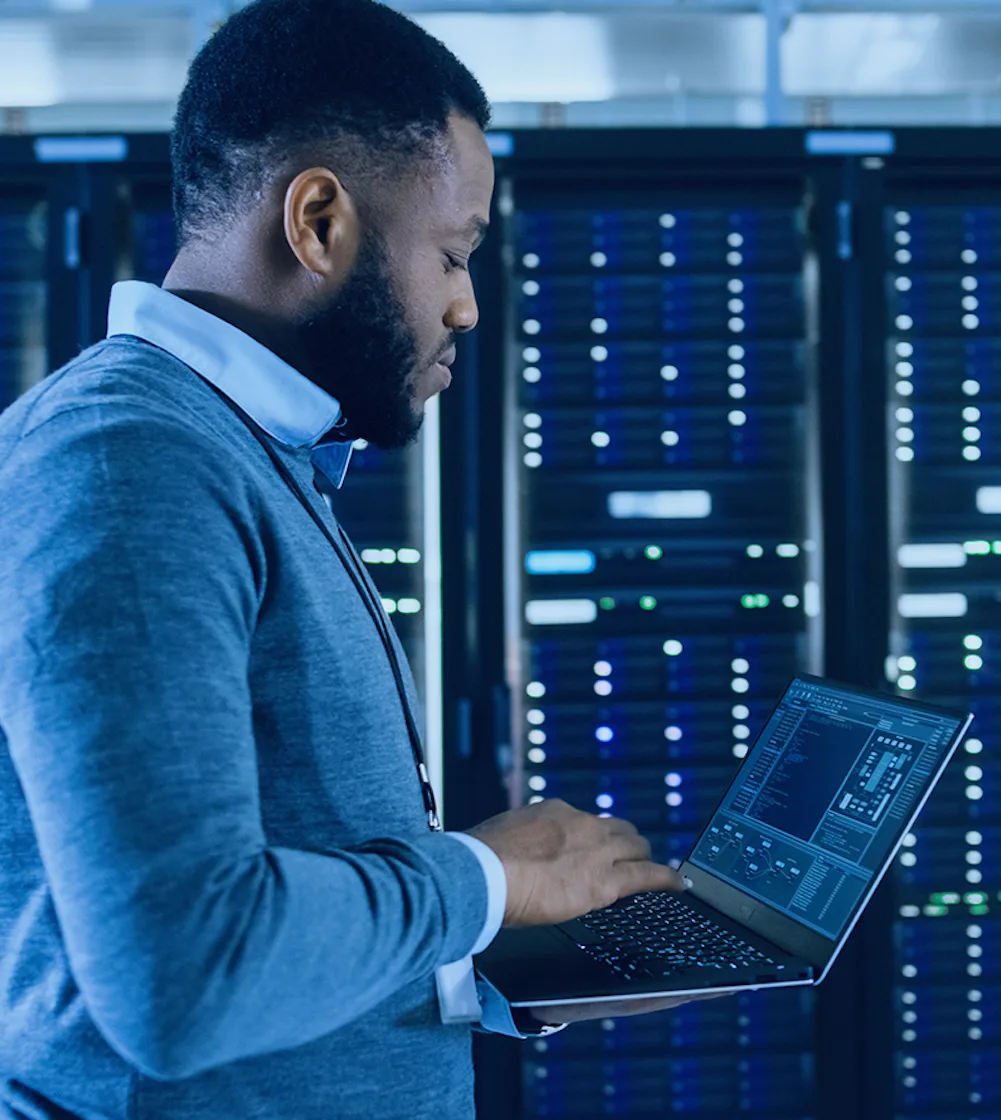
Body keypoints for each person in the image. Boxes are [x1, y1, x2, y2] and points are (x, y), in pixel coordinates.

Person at [0, 2, 699, 1118]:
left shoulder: (246, 453)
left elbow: (276, 915)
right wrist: (489, 877)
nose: (467, 305)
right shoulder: (128, 464)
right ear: (319, 218)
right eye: (453, 254)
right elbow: (181, 973)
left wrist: (515, 954)